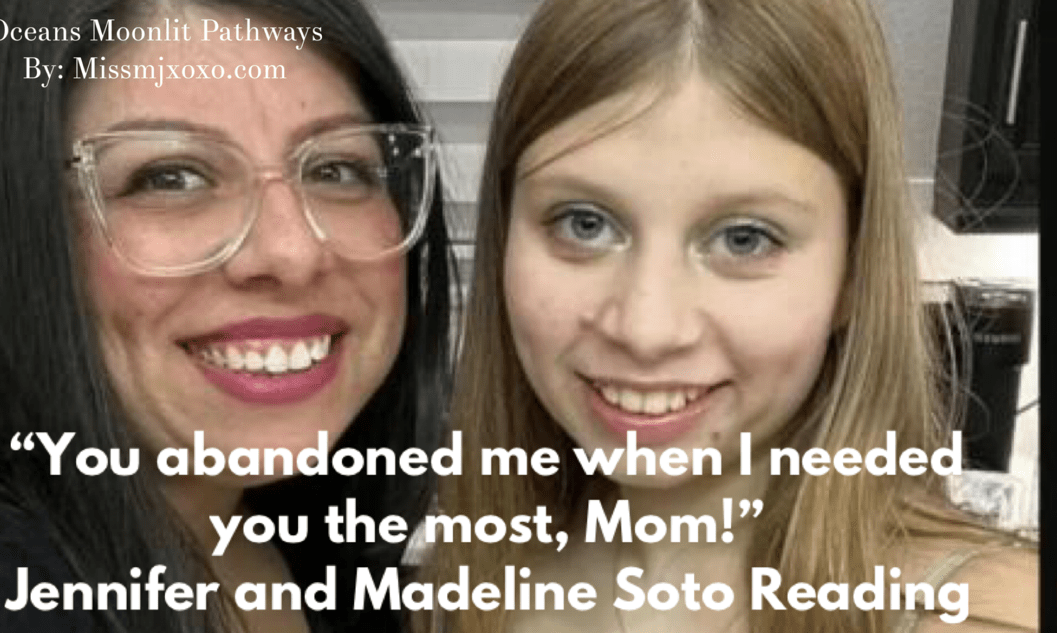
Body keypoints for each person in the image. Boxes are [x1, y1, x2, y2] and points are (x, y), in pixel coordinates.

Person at [426, 0, 1037, 631]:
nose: (646, 330)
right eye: (584, 223)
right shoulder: (481, 579)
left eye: (744, 239)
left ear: (854, 269)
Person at [0, 0, 454, 631]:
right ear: (25, 228)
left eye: (336, 168)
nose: (293, 253)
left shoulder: (304, 527)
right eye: (170, 178)